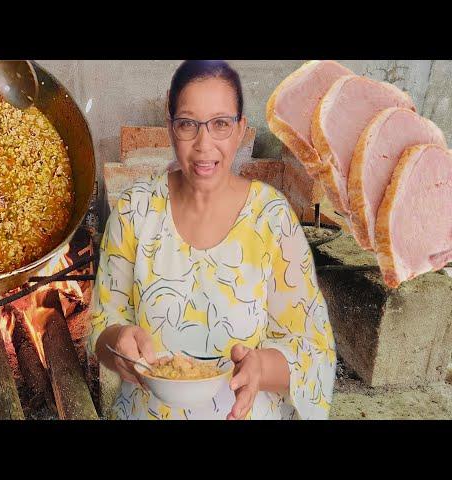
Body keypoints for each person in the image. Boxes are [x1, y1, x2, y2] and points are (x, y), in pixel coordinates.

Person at [87, 60, 336, 420]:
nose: (204, 145)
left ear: (240, 130)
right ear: (171, 127)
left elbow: (315, 348)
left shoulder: (270, 217)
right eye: (188, 124)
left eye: (221, 124)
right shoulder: (134, 212)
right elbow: (101, 326)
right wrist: (118, 341)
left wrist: (260, 368)